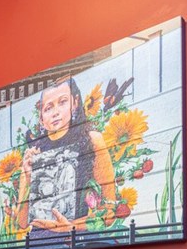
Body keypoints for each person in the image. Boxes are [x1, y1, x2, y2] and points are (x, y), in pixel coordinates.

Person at [14, 78, 117, 235]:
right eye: (48, 108)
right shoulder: (34, 154)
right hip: (38, 244)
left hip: (75, 243)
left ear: (74, 103)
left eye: (62, 102)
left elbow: (109, 213)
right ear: (41, 117)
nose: (55, 112)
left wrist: (71, 226)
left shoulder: (92, 140)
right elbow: (21, 223)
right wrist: (27, 178)